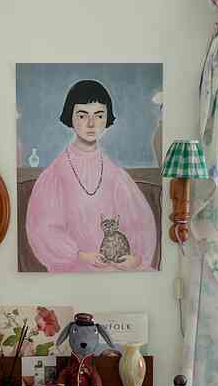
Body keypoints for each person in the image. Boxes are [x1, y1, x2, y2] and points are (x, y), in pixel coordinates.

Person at [25, 79, 157, 272]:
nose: (91, 123)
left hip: (115, 269)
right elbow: (43, 230)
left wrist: (135, 259)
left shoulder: (116, 175)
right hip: (73, 269)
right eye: (82, 115)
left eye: (99, 115)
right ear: (70, 117)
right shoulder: (56, 174)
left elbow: (140, 224)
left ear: (107, 119)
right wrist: (81, 255)